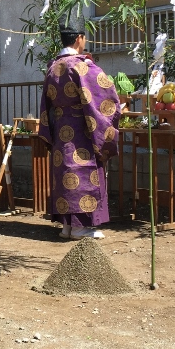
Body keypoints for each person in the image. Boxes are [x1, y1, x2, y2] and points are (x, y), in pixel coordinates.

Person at [37, 22, 121, 240]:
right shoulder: (81, 66)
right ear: (79, 39)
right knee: (83, 174)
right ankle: (80, 228)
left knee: (66, 173)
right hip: (81, 129)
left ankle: (66, 226)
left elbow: (46, 104)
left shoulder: (52, 67)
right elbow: (104, 95)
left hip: (60, 128)